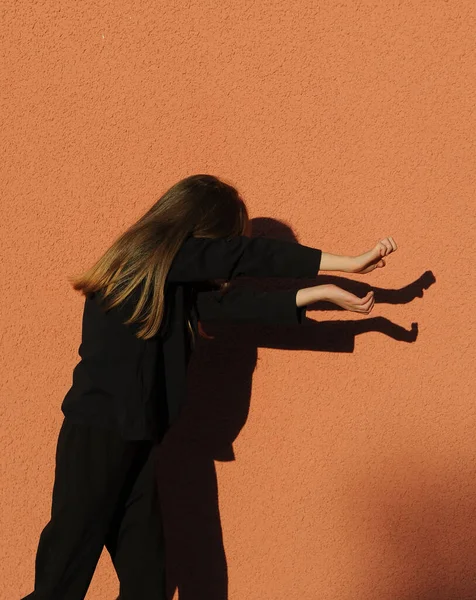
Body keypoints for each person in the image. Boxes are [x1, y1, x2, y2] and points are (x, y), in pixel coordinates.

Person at [21, 174, 397, 599]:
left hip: (137, 441)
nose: (223, 258)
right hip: (97, 437)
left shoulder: (167, 279)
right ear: (200, 227)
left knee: (147, 582)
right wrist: (346, 263)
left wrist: (317, 294)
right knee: (61, 580)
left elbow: (229, 305)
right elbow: (243, 255)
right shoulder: (153, 258)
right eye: (224, 238)